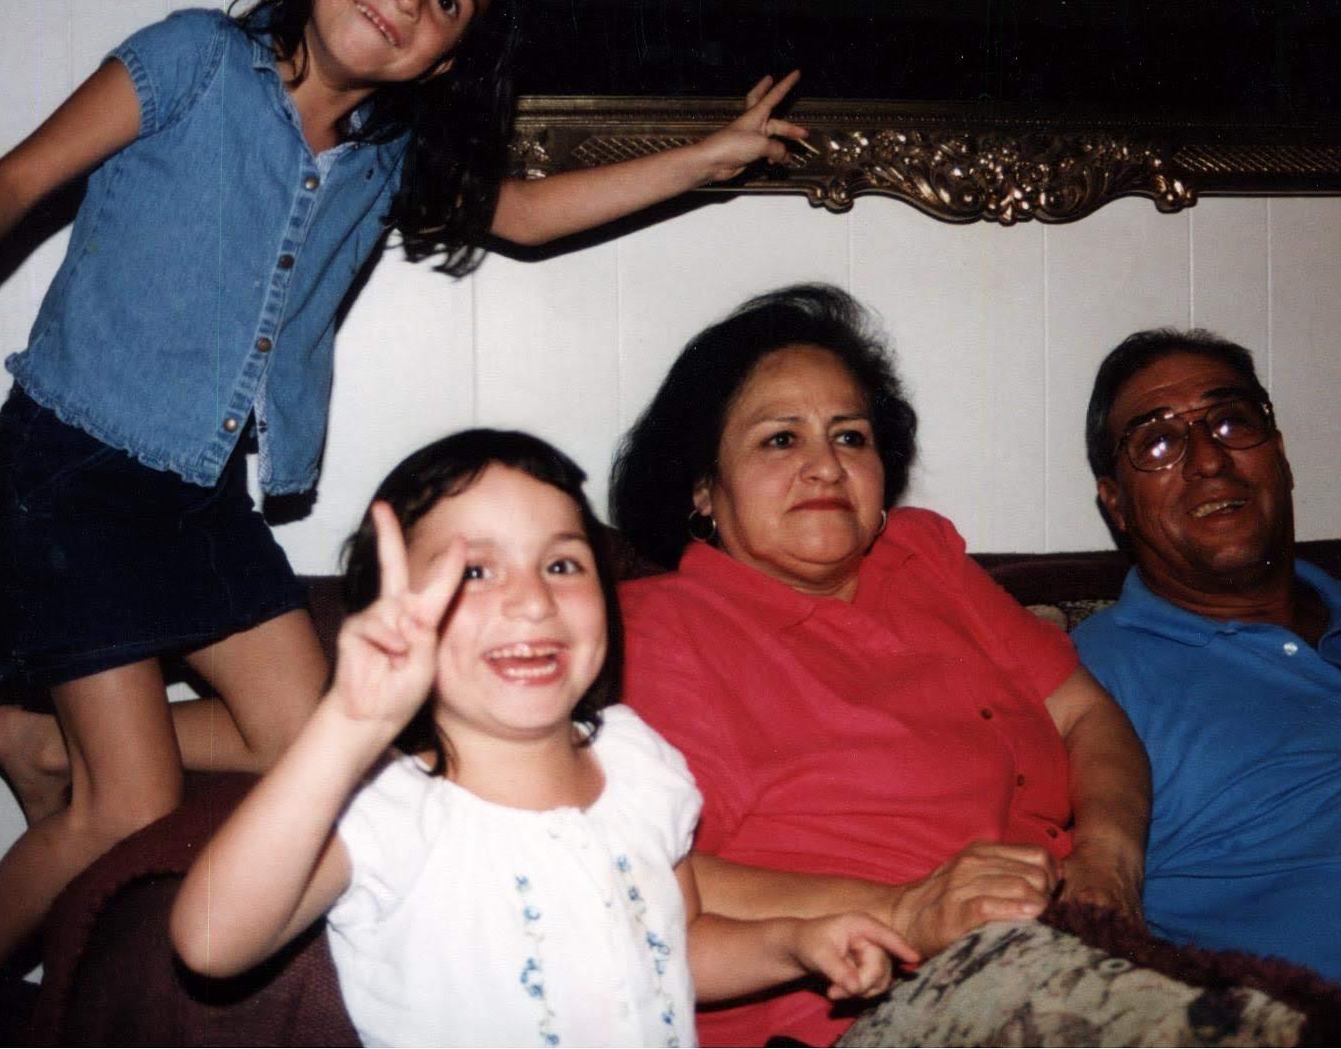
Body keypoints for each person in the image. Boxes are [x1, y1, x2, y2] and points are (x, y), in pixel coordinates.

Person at [0, 0, 807, 1044]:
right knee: (130, 801)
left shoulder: (385, 154)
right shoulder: (195, 59)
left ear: (448, 56)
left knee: (317, 741)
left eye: (448, 0)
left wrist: (708, 158)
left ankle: (44, 741)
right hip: (76, 468)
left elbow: (526, 214)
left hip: (198, 494)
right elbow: (15, 183)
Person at [169, 429, 915, 1046]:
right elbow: (209, 942)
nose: (531, 600)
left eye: (561, 564)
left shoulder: (639, 764)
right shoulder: (388, 811)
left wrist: (791, 943)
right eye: (474, 571)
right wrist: (346, 724)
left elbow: (676, 943)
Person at [610, 284, 1151, 1047]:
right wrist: (903, 908)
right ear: (703, 486)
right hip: (845, 1008)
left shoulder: (923, 559)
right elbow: (651, 878)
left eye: (850, 437)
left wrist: (1107, 860)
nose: (826, 466)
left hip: (1052, 963)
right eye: (780, 440)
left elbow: (1089, 716)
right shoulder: (662, 629)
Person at [1074, 328, 1341, 1046]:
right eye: (1158, 442)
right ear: (1117, 505)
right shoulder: (1084, 677)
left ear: (1280, 455)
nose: (1209, 459)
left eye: (1231, 421)